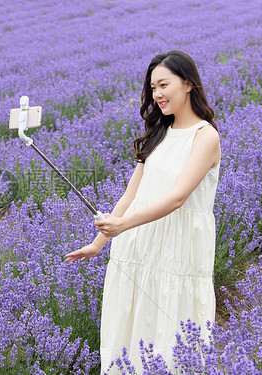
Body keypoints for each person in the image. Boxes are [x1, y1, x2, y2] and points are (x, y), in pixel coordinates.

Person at [65, 50, 221, 373]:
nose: (157, 94)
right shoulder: (158, 133)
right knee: (131, 331)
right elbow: (130, 195)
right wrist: (100, 241)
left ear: (188, 83)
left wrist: (123, 225)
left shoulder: (205, 137)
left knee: (173, 332)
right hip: (139, 247)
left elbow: (178, 198)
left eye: (164, 84)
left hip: (179, 252)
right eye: (153, 88)